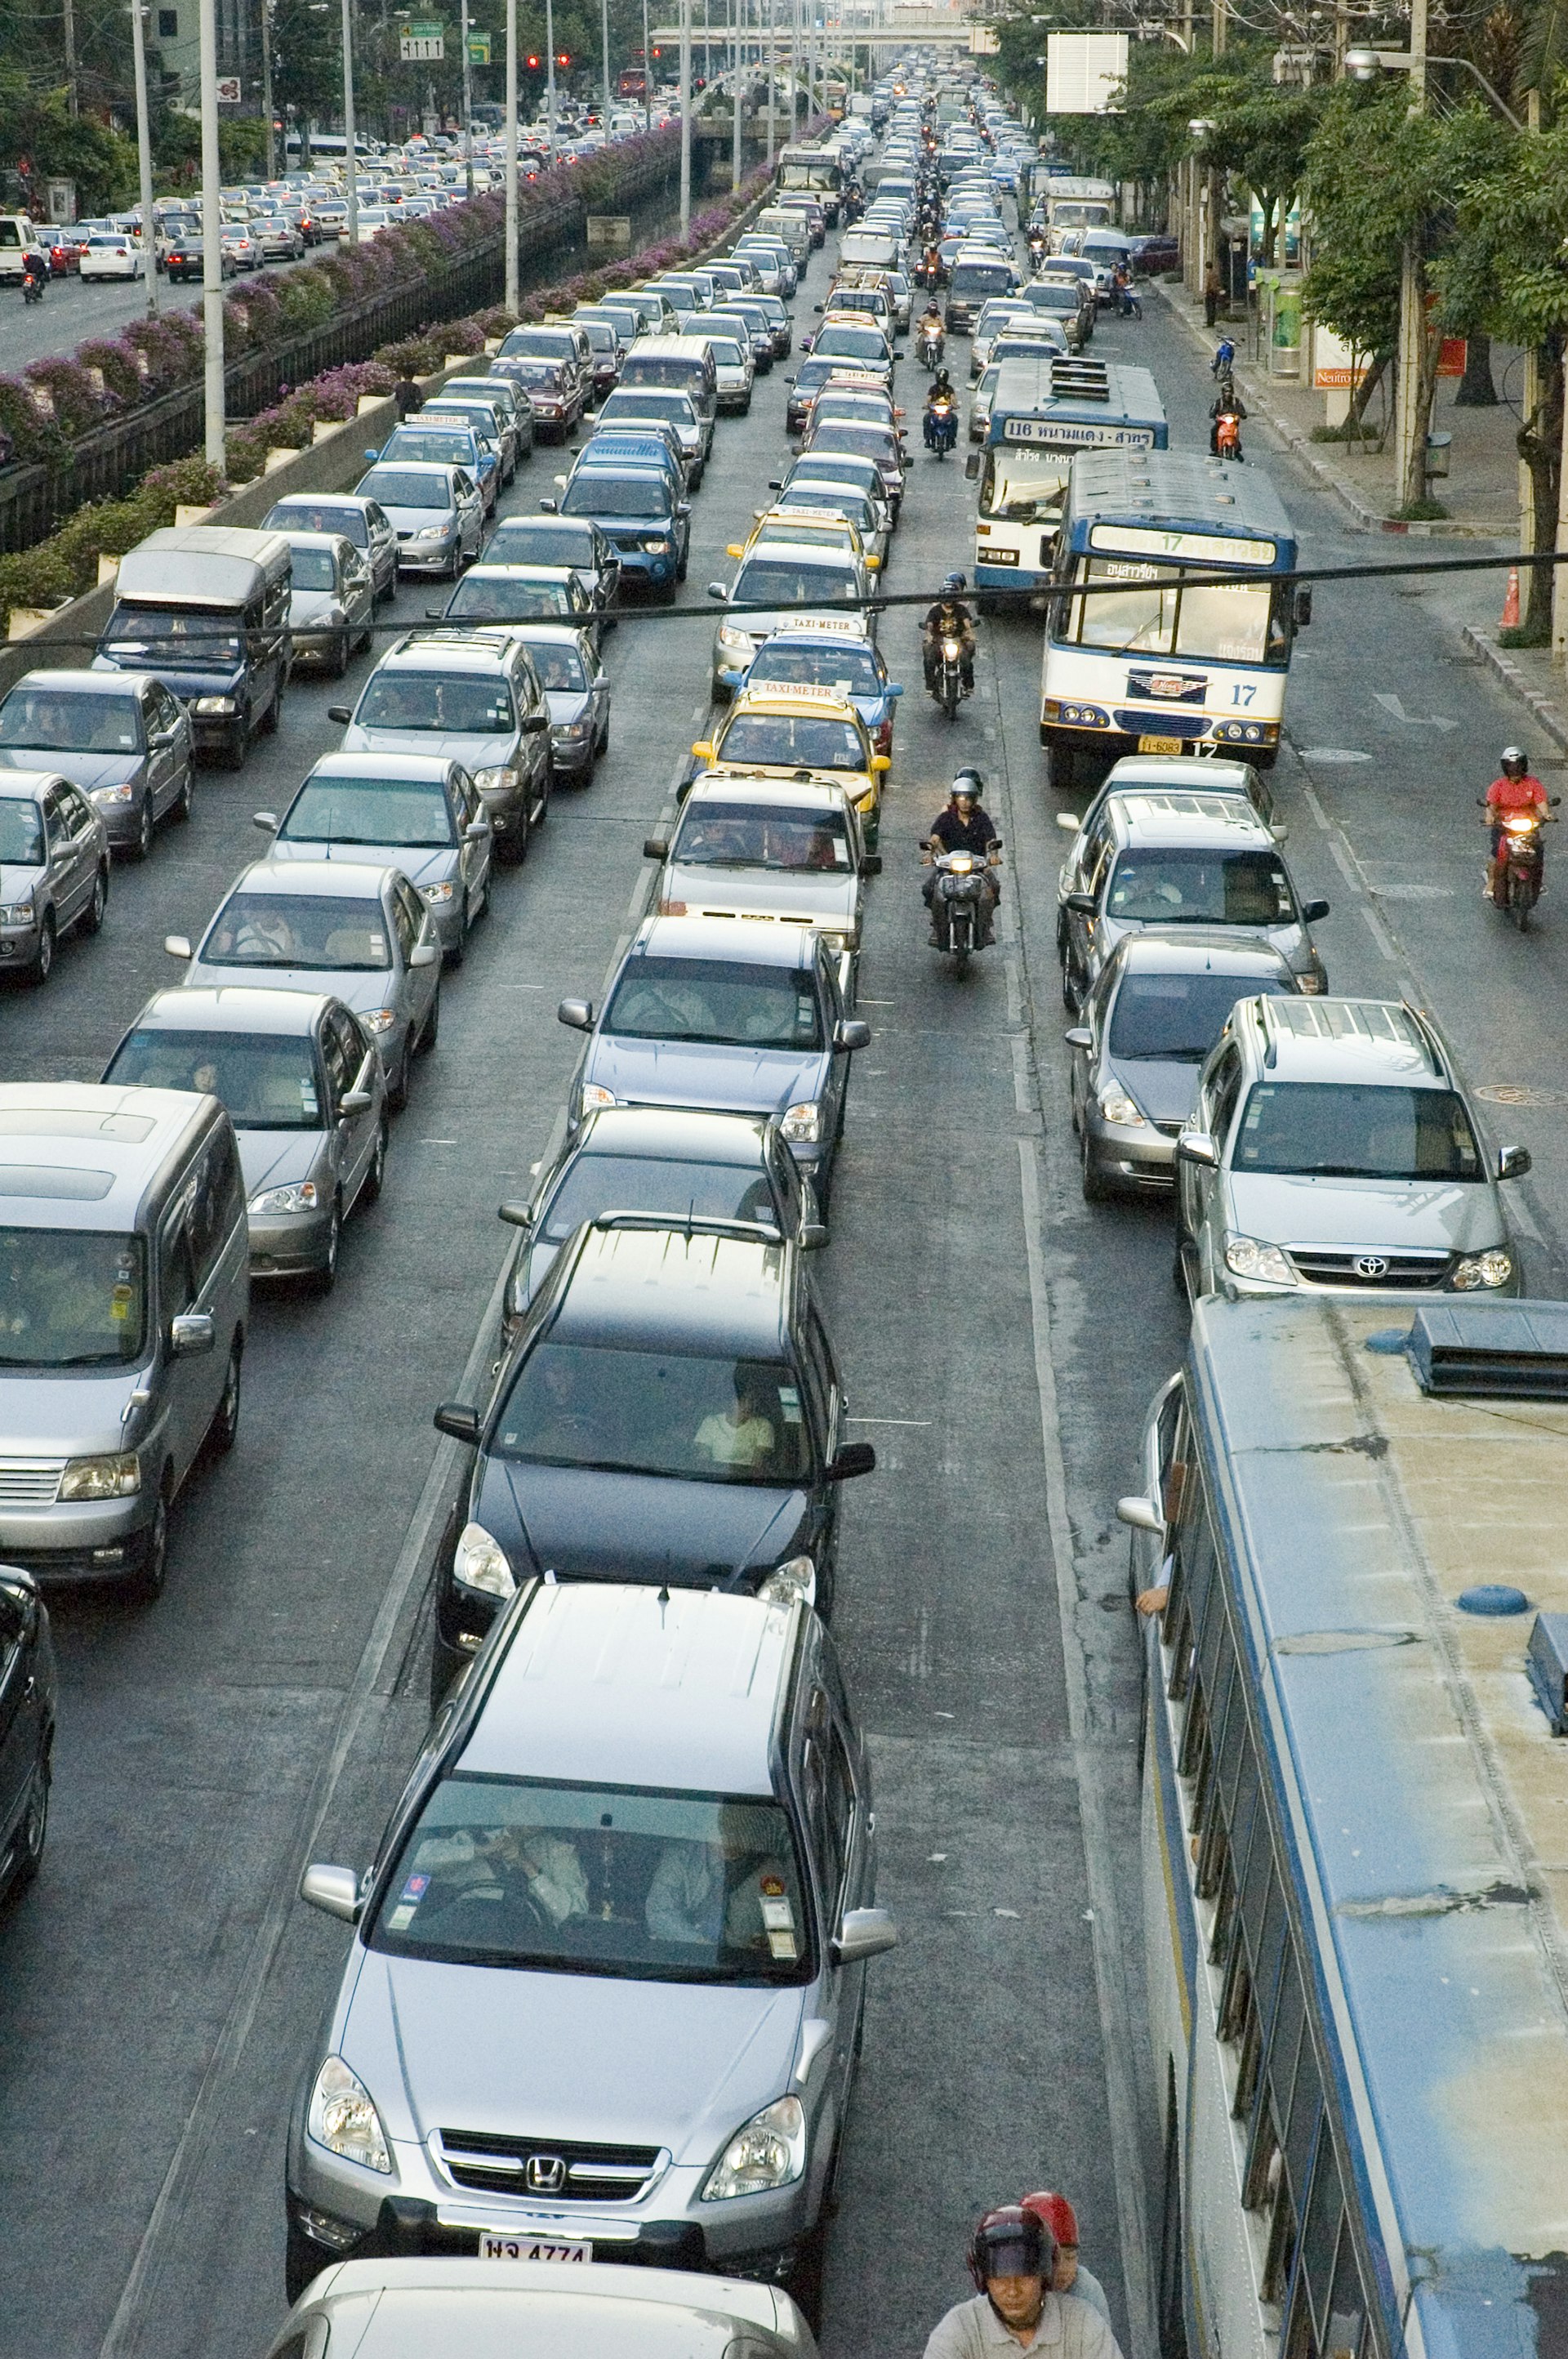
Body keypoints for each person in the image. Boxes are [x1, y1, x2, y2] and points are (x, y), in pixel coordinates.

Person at [923, 2206, 1123, 2359]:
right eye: (1000, 2279)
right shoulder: (959, 2330)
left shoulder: (1083, 2325)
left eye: (1024, 2277)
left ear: (1044, 2277)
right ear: (985, 2281)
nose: (1012, 2291)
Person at [923, 769, 1000, 945]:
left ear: (974, 800)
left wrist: (994, 855)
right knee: (929, 888)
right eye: (961, 798)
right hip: (949, 865)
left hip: (976, 866)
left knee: (994, 887)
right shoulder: (946, 817)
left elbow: (990, 839)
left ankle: (986, 925)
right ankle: (937, 925)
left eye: (969, 798)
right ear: (955, 799)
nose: (965, 803)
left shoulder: (982, 818)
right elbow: (935, 837)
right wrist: (929, 853)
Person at [1020, 2194, 1112, 2326]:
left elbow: (1103, 2344)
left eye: (1070, 2257)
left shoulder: (1085, 2288)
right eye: (1052, 2258)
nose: (1062, 2268)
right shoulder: (1005, 2287)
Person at [1484, 743, 1551, 895]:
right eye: (1510, 766)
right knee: (1497, 852)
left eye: (1517, 766)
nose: (1514, 770)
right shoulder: (1498, 786)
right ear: (1505, 768)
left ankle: (1538, 881)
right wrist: (1489, 818)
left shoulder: (1533, 784)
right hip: (1504, 826)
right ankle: (1491, 882)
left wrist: (1546, 815)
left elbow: (1541, 803)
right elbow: (1491, 806)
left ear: (1524, 766)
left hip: (1529, 826)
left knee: (1538, 850)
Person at [694, 1366, 777, 1470]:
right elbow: (703, 1461)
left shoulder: (762, 1425)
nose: (748, 1405)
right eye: (742, 1400)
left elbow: (758, 1465)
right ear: (729, 1401)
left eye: (751, 1400)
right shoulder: (711, 1422)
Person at [922, 575, 976, 698]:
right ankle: (929, 686)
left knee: (966, 661)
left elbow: (967, 623)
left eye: (951, 597)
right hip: (939, 641)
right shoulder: (935, 610)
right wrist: (929, 635)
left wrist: (970, 633)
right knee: (929, 658)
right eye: (946, 597)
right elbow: (929, 624)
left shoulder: (961, 610)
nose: (948, 600)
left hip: (957, 641)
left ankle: (969, 686)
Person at [1209, 381, 1246, 458]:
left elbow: (1242, 410)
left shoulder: (1236, 402)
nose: (1228, 394)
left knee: (1236, 432)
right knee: (1214, 431)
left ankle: (1237, 446)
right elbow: (1212, 411)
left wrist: (1243, 415)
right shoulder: (1219, 402)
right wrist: (1214, 416)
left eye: (1230, 391)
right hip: (1222, 423)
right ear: (1223, 392)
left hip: (1233, 423)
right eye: (1226, 391)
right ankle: (1215, 449)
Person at [1203, 260, 1221, 329]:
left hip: (1209, 292)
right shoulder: (1215, 273)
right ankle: (1212, 322)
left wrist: (1205, 292)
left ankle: (1209, 322)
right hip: (1215, 292)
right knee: (1213, 307)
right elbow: (1218, 282)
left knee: (1208, 308)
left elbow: (1207, 284)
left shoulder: (1208, 274)